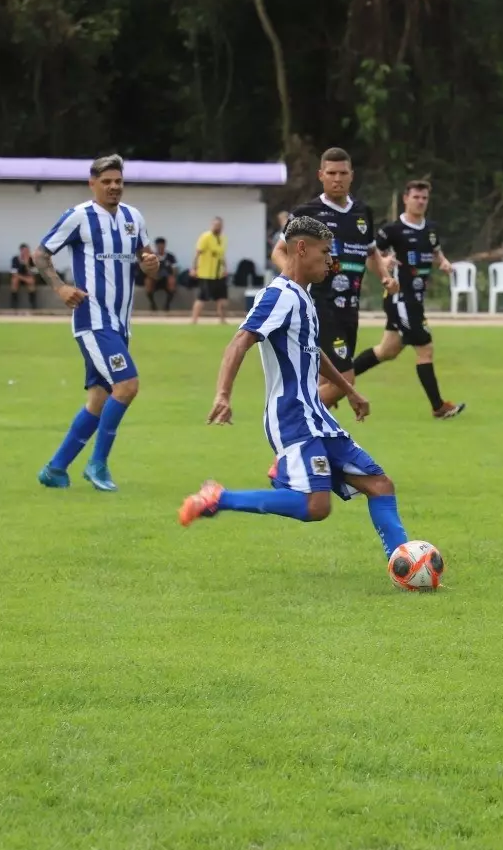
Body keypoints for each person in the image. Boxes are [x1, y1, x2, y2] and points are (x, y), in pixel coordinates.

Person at [177, 215, 414, 563]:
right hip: (291, 416)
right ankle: (218, 497)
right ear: (301, 249)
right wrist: (223, 395)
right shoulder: (278, 295)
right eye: (324, 253)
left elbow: (311, 351)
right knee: (316, 506)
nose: (330, 261)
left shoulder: (304, 298)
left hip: (316, 415)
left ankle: (403, 563)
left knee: (380, 485)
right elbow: (240, 341)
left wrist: (348, 389)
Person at [33, 155, 159, 492]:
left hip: (120, 324)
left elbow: (148, 261)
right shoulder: (79, 217)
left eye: (118, 181)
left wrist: (151, 264)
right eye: (106, 182)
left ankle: (55, 468)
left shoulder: (134, 218)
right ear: (93, 184)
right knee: (127, 386)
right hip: (93, 320)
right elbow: (40, 254)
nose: (114, 187)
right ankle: (97, 464)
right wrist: (60, 287)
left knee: (100, 398)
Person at [273, 147, 397, 408]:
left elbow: (371, 253)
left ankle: (310, 444)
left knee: (323, 383)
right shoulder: (307, 212)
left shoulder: (363, 213)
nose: (337, 178)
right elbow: (279, 252)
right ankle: (290, 422)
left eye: (342, 173)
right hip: (319, 305)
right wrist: (296, 287)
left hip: (349, 309)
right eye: (331, 173)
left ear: (352, 175)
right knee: (345, 379)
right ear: (321, 175)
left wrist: (385, 276)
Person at [352, 178, 465, 419]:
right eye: (416, 197)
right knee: (425, 349)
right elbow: (369, 254)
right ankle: (438, 406)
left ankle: (336, 378)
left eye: (424, 198)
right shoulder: (393, 230)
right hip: (400, 298)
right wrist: (382, 262)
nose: (421, 201)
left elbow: (435, 251)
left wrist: (443, 262)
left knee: (386, 351)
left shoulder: (430, 228)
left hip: (415, 298)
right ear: (406, 199)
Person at [191, 218, 228, 324]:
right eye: (215, 225)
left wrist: (225, 268)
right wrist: (194, 268)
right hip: (206, 273)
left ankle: (222, 320)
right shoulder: (206, 237)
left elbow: (222, 255)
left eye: (219, 225)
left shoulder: (223, 238)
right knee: (202, 297)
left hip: (219, 274)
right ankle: (194, 320)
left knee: (221, 298)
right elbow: (198, 253)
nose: (217, 227)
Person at [145, 237, 179, 311]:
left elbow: (174, 270)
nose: (160, 247)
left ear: (164, 245)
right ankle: (153, 304)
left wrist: (171, 275)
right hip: (155, 278)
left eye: (162, 245)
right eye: (158, 246)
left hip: (166, 278)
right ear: (156, 246)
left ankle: (167, 305)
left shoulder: (170, 256)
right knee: (148, 280)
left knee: (172, 280)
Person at [8, 243, 39, 310]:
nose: (26, 253)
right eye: (24, 251)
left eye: (27, 251)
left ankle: (33, 304)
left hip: (28, 277)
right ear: (21, 251)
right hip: (19, 277)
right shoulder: (15, 259)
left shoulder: (31, 260)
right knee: (14, 280)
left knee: (31, 281)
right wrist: (25, 279)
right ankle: (14, 304)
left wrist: (27, 264)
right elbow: (14, 273)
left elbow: (33, 273)